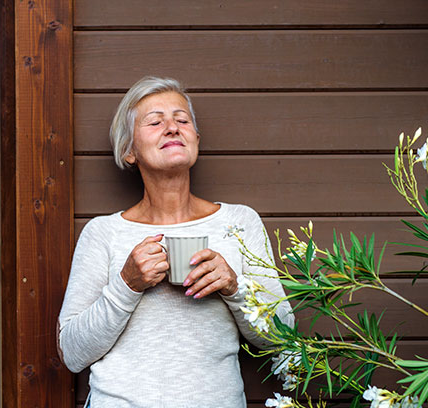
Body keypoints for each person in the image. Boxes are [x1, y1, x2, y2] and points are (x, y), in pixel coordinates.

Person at [57, 76, 293, 407]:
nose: (172, 128)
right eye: (155, 122)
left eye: (182, 120)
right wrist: (127, 285)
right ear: (128, 151)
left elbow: (281, 338)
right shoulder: (103, 233)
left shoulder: (240, 222)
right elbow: (72, 352)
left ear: (195, 137)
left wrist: (234, 288)